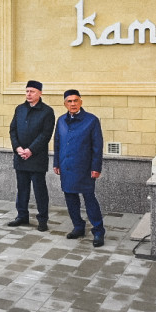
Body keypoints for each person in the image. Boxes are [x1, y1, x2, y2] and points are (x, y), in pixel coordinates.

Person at [52, 89, 106, 246]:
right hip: (66, 166)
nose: (73, 104)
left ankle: (98, 231)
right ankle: (78, 226)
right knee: (70, 198)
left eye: (76, 100)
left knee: (89, 199)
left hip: (85, 168)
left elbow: (97, 146)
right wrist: (56, 163)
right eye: (69, 101)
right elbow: (57, 143)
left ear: (81, 102)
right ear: (65, 104)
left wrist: (96, 167)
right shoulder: (61, 120)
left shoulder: (91, 120)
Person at [7, 80, 56, 231]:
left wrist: (30, 150)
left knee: (39, 190)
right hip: (20, 157)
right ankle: (22, 215)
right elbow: (13, 130)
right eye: (27, 91)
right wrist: (17, 148)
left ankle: (42, 219)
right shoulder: (20, 109)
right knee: (22, 189)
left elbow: (45, 134)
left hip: (36, 158)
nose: (28, 94)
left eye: (32, 91)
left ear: (40, 93)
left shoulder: (47, 111)